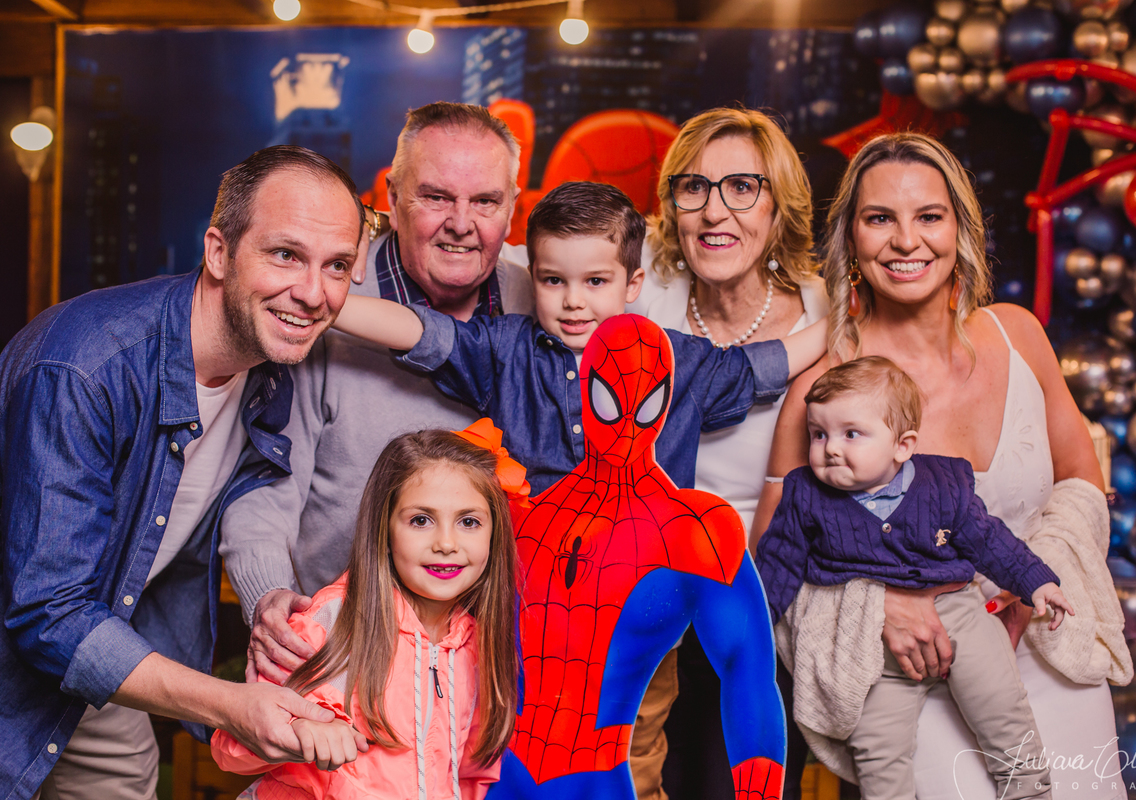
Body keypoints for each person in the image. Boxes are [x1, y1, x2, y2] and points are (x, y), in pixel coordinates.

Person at [753, 132, 1131, 800]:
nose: (907, 241)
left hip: (1050, 654)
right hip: (917, 672)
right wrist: (878, 607)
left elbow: (1081, 481)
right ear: (850, 240)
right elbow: (772, 568)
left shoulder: (1019, 336)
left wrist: (1030, 579)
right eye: (880, 219)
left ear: (960, 229)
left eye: (929, 216)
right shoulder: (822, 392)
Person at [0, 145, 368, 800]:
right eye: (286, 254)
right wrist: (229, 705)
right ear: (219, 253)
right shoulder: (84, 368)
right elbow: (47, 613)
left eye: (336, 265)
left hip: (104, 649)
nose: (314, 293)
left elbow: (246, 493)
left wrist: (269, 597)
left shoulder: (270, 371)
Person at [219, 101, 535, 687]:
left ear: (513, 208)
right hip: (345, 650)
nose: (461, 223)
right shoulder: (323, 297)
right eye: (436, 197)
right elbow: (265, 484)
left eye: (486, 202)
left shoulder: (545, 299)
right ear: (391, 197)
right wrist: (269, 596)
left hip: (495, 656)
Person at [331, 180, 827, 495]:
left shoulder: (673, 357)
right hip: (534, 586)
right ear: (533, 277)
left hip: (644, 592)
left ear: (631, 285)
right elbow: (419, 331)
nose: (573, 301)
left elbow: (759, 366)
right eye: (553, 280)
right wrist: (326, 303)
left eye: (595, 282)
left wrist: (841, 324)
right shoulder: (505, 349)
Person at [486, 315, 786, 800]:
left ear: (663, 402)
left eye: (643, 405)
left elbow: (747, 669)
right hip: (490, 775)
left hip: (596, 778)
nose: (625, 425)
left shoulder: (693, 530)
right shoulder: (524, 513)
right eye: (610, 399)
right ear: (586, 388)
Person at [756, 356, 1074, 800]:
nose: (830, 449)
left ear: (902, 446)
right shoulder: (805, 493)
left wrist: (1037, 582)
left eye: (851, 434)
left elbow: (989, 539)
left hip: (957, 613)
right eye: (818, 433)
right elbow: (779, 562)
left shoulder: (944, 484)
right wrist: (755, 628)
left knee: (1003, 711)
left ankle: (1028, 790)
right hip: (868, 643)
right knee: (877, 753)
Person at [628, 106, 827, 800]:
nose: (715, 211)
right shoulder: (639, 294)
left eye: (742, 187)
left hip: (767, 604)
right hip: (644, 602)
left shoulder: (827, 309)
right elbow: (533, 264)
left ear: (778, 206)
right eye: (694, 187)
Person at [212, 423, 523, 800]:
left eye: (469, 522)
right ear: (385, 530)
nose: (446, 543)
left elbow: (468, 775)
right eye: (420, 520)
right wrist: (300, 730)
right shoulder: (334, 620)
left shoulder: (478, 645)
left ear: (494, 533)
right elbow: (230, 745)